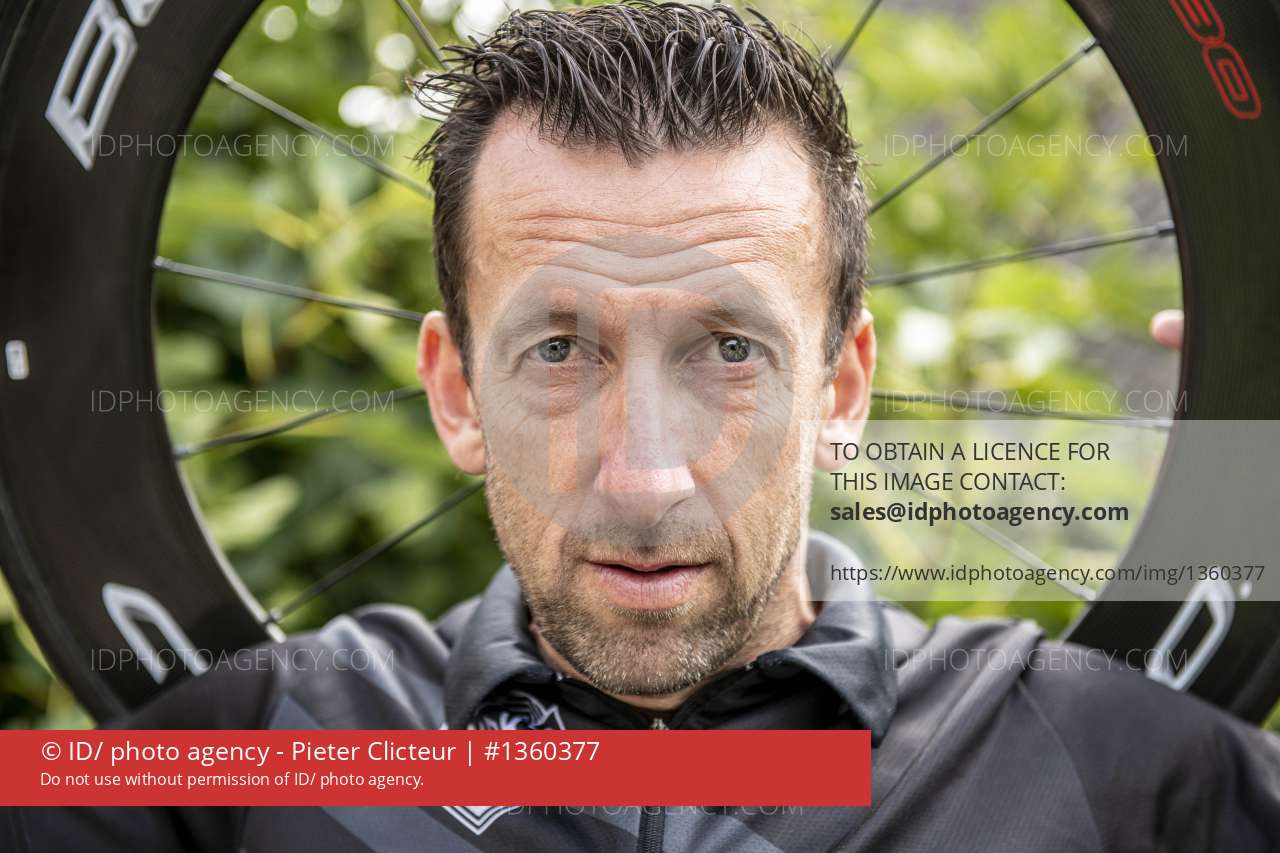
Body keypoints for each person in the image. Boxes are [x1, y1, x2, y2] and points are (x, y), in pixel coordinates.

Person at [7, 3, 1279, 851]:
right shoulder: (259, 752)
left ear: (840, 390)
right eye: (560, 351)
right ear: (454, 393)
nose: (644, 475)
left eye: (728, 351)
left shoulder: (1111, 758)